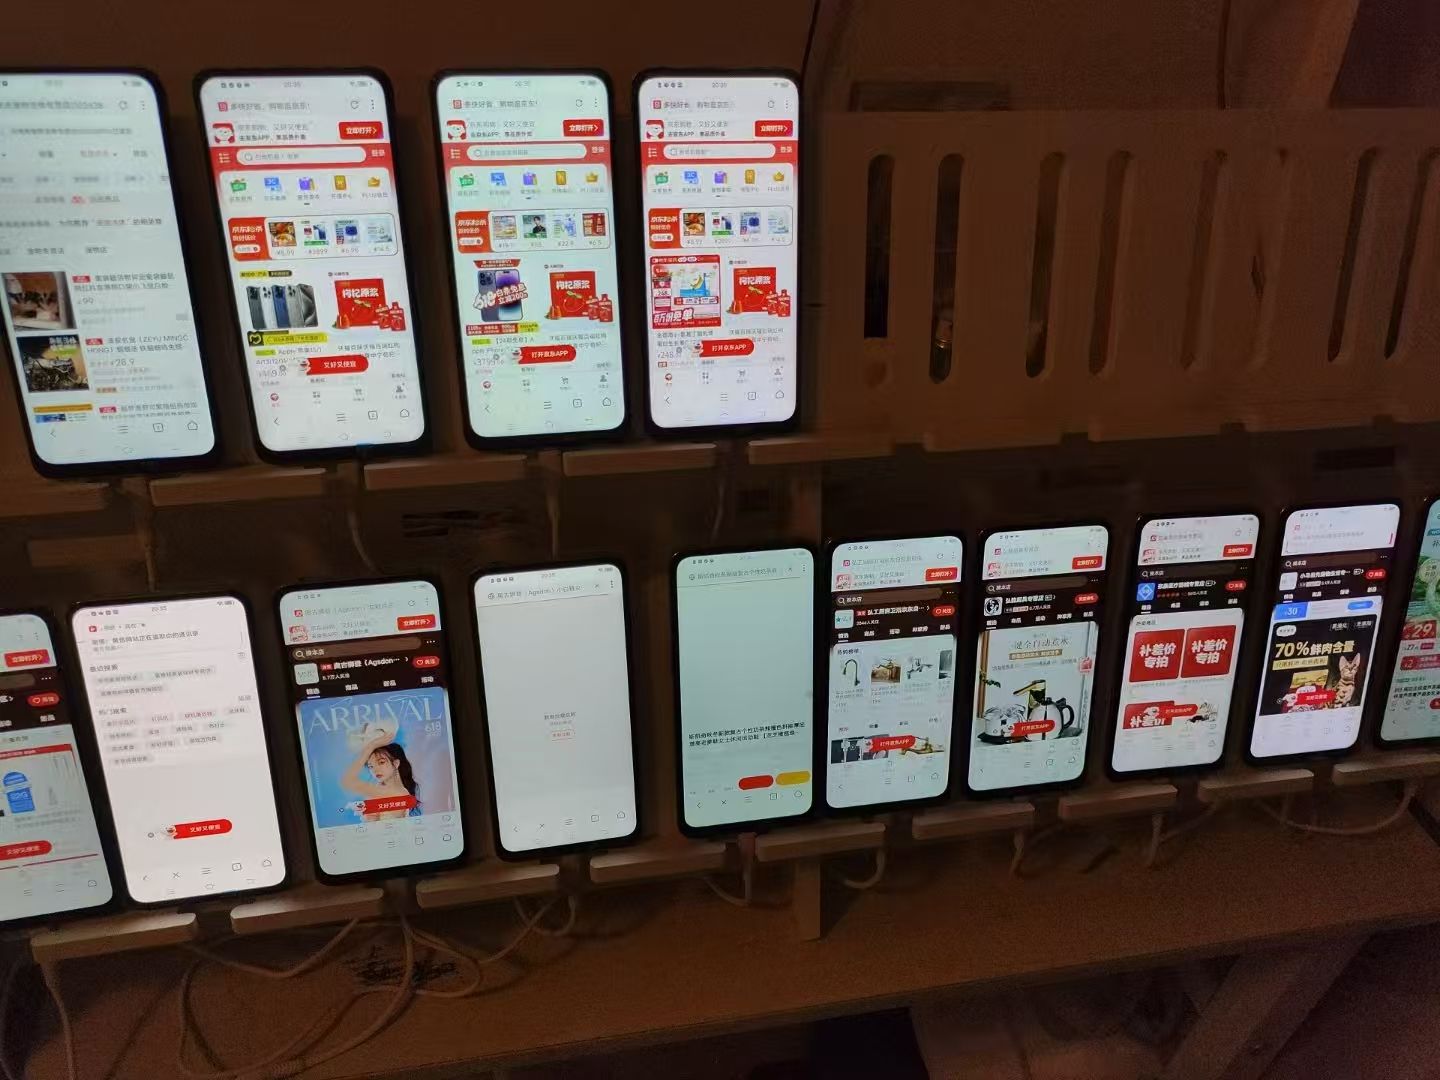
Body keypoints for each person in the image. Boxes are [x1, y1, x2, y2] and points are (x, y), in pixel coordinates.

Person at [342, 733, 420, 821]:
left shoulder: (395, 793)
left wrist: (371, 746)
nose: (375, 770)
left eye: (381, 762)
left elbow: (348, 781)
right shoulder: (387, 790)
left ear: (396, 763)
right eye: (371, 766)